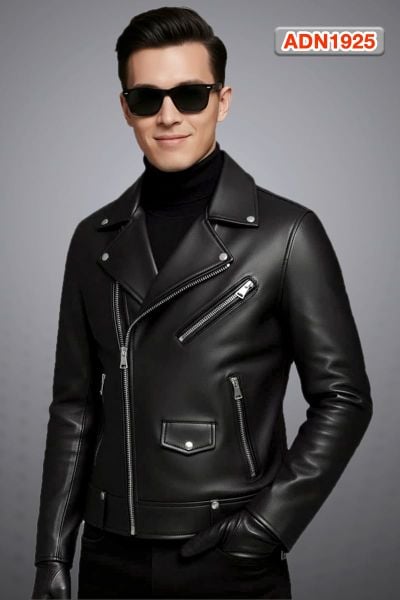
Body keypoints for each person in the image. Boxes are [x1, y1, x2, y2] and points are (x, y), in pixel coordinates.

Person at [31, 6, 373, 599]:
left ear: (223, 100)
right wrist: (52, 555)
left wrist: (267, 526)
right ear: (125, 108)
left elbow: (344, 398)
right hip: (110, 553)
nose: (168, 116)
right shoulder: (94, 239)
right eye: (146, 98)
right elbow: (74, 409)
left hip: (227, 553)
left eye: (190, 95)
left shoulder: (286, 235)